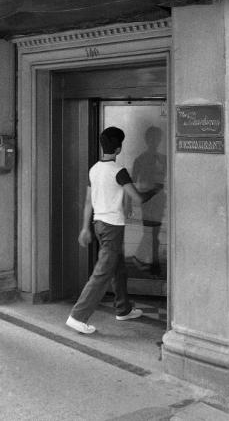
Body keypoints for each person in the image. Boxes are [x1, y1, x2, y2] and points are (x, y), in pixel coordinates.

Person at [66, 126, 161, 334]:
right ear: (118, 149)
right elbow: (137, 198)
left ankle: (123, 309)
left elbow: (88, 202)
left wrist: (84, 228)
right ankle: (77, 316)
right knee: (102, 273)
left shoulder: (94, 169)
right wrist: (154, 190)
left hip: (98, 225)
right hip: (112, 228)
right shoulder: (119, 171)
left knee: (118, 268)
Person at [131, 126, 167, 277]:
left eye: (157, 138)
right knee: (149, 233)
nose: (154, 141)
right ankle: (150, 263)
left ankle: (149, 263)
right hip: (147, 199)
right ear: (147, 140)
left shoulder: (164, 159)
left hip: (158, 199)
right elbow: (133, 182)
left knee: (154, 233)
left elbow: (167, 179)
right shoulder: (140, 160)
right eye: (152, 138)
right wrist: (132, 202)